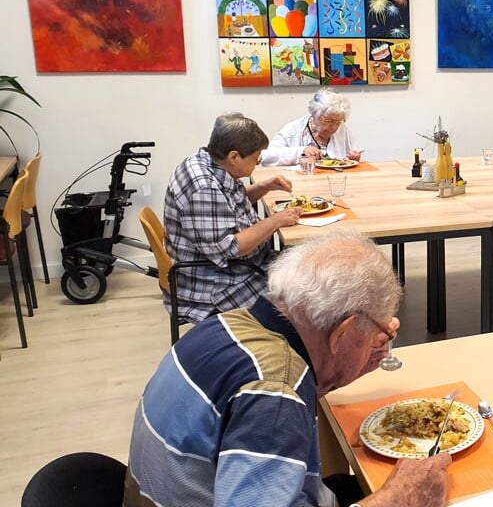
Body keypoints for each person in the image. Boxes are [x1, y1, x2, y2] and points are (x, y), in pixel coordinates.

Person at [124, 230, 452, 507]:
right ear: (342, 332)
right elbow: (274, 404)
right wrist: (399, 498)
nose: (380, 342)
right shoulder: (277, 396)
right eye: (376, 334)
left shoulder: (224, 327)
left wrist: (351, 362)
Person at [164, 113, 301, 323]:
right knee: (304, 298)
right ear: (234, 156)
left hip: (230, 268)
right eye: (255, 160)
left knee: (304, 269)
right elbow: (229, 248)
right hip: (216, 283)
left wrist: (262, 187)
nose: (256, 165)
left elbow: (224, 206)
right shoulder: (203, 188)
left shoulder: (206, 163)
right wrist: (275, 221)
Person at [262, 88, 362, 166]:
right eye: (328, 121)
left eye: (338, 122)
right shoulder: (294, 131)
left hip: (336, 183)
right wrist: (301, 151)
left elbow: (356, 155)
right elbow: (267, 157)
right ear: (314, 114)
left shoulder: (343, 131)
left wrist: (355, 158)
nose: (334, 127)